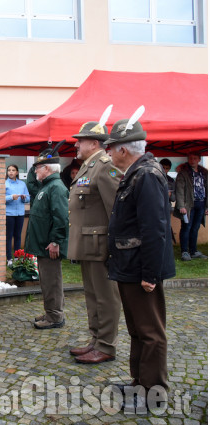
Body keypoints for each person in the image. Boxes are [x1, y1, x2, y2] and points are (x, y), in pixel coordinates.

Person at [104, 116, 175, 402]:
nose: (107, 153)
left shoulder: (146, 174)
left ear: (123, 149)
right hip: (129, 266)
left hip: (140, 269)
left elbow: (155, 228)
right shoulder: (136, 173)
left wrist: (151, 273)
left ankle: (154, 391)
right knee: (137, 329)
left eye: (111, 147)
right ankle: (140, 383)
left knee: (150, 332)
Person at [67, 120, 122, 364]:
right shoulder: (87, 166)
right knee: (92, 295)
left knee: (106, 297)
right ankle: (96, 339)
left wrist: (115, 248)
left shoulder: (104, 167)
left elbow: (116, 211)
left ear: (94, 143)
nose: (76, 144)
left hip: (101, 246)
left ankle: (107, 345)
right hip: (88, 245)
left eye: (80, 140)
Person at [25, 143, 69, 329]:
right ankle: (51, 311)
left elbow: (61, 218)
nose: (35, 170)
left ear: (48, 168)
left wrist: (55, 241)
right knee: (47, 281)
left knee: (52, 282)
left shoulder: (56, 188)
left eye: (38, 167)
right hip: (43, 244)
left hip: (49, 245)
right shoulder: (47, 186)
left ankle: (55, 316)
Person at [174, 153, 208, 261]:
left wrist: (207, 206)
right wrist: (181, 205)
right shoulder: (183, 173)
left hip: (201, 204)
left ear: (199, 159)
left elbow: (207, 189)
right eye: (190, 158)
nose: (192, 160)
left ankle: (193, 251)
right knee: (186, 227)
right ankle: (185, 252)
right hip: (188, 205)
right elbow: (179, 190)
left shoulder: (204, 173)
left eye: (194, 158)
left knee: (195, 228)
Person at [5, 164, 30, 267]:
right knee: (9, 236)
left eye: (13, 170)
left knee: (18, 236)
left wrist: (24, 198)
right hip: (9, 214)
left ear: (17, 172)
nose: (11, 172)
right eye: (9, 170)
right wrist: (11, 197)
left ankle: (17, 257)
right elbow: (1, 199)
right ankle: (9, 258)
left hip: (20, 213)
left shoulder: (22, 184)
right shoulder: (4, 184)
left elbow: (28, 198)